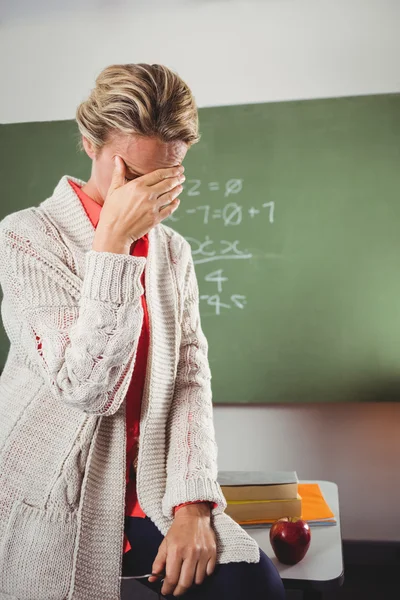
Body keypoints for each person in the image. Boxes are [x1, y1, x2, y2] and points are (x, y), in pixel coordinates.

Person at [0, 63, 285, 599]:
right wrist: (111, 246)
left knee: (255, 585)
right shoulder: (25, 237)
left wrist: (194, 504)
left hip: (151, 481)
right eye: (133, 175)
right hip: (56, 484)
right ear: (89, 143)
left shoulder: (174, 251)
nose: (148, 196)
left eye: (168, 176)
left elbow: (188, 381)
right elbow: (88, 389)